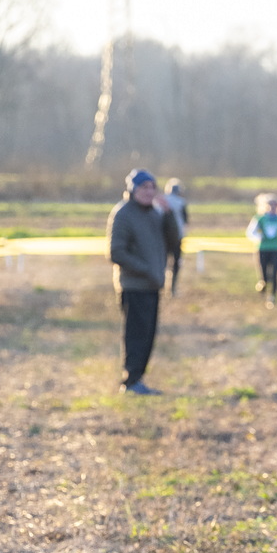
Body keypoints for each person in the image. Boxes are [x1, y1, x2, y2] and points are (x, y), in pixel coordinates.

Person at [107, 168, 181, 395]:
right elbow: (116, 252)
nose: (149, 192)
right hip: (134, 286)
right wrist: (146, 270)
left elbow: (174, 242)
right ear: (133, 190)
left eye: (152, 187)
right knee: (136, 336)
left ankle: (137, 379)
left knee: (148, 336)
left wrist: (168, 215)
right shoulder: (123, 214)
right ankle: (130, 381)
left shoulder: (155, 214)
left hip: (152, 285)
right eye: (144, 187)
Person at [246, 193, 277, 309]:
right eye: (270, 205)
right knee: (264, 274)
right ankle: (263, 284)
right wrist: (258, 237)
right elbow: (250, 232)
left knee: (274, 274)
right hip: (262, 249)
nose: (272, 207)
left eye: (275, 205)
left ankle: (272, 297)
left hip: (275, 249)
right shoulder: (260, 218)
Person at [163, 178, 188, 294]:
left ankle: (161, 284)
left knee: (162, 261)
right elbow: (185, 220)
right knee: (176, 262)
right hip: (177, 235)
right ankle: (172, 288)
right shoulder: (181, 202)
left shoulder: (163, 200)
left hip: (163, 236)